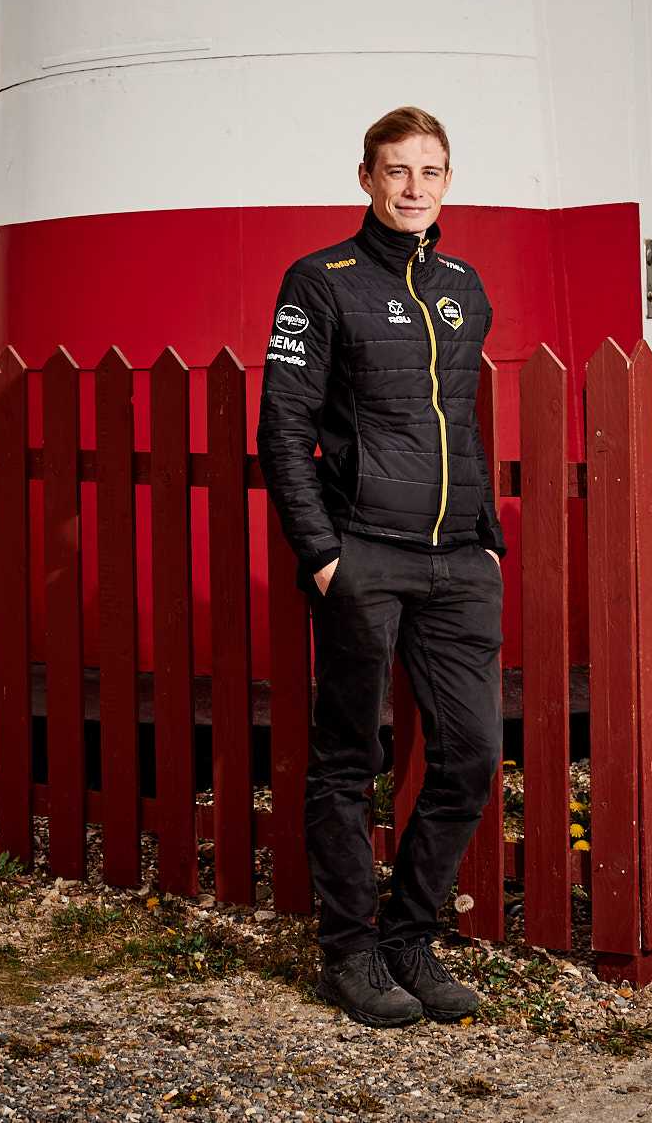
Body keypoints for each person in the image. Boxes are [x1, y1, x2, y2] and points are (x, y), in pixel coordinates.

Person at [256, 106, 506, 1028]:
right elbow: (282, 427)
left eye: (430, 171)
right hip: (363, 554)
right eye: (396, 171)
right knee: (347, 759)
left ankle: (410, 936)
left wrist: (483, 535)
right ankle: (351, 953)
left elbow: (462, 421)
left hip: (457, 563)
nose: (413, 188)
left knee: (473, 754)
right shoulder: (318, 283)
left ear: (448, 179)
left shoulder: (464, 286)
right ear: (365, 177)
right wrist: (322, 555)